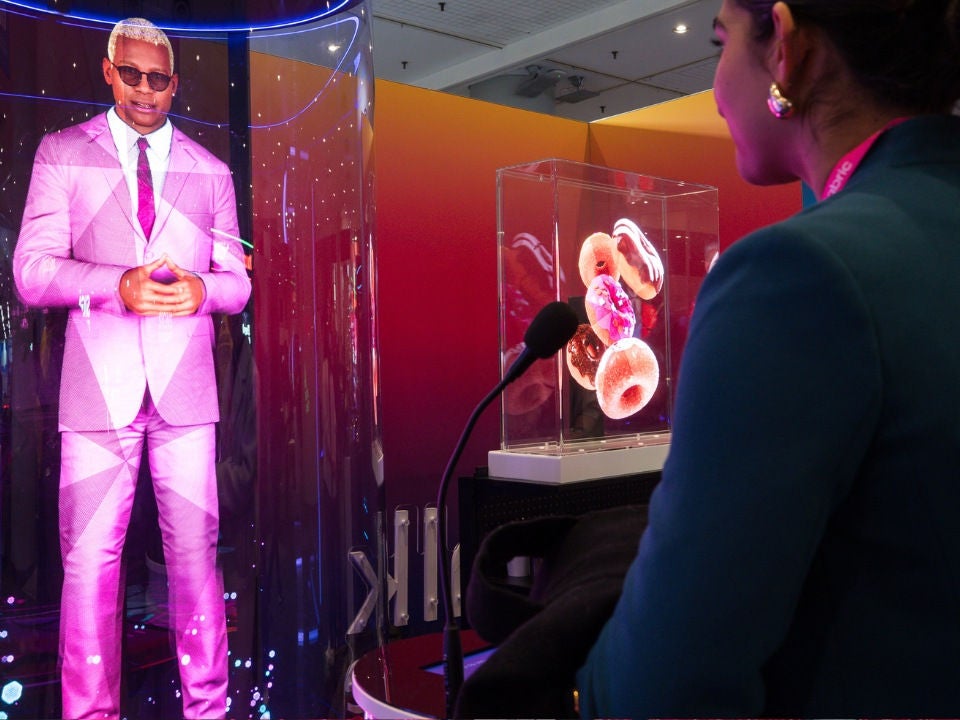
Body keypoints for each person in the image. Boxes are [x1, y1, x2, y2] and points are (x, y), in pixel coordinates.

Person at [577, 0, 960, 717]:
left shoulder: (799, 275)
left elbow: (665, 683)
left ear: (786, 48)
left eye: (720, 42)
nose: (718, 87)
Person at [13, 17, 251, 720]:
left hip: (186, 397)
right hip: (96, 397)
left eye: (160, 79)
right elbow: (31, 271)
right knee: (89, 572)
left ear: (174, 84)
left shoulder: (211, 172)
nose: (147, 91)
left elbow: (237, 282)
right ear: (110, 71)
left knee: (196, 567)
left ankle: (208, 711)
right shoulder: (62, 155)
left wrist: (203, 291)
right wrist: (114, 285)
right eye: (134, 76)